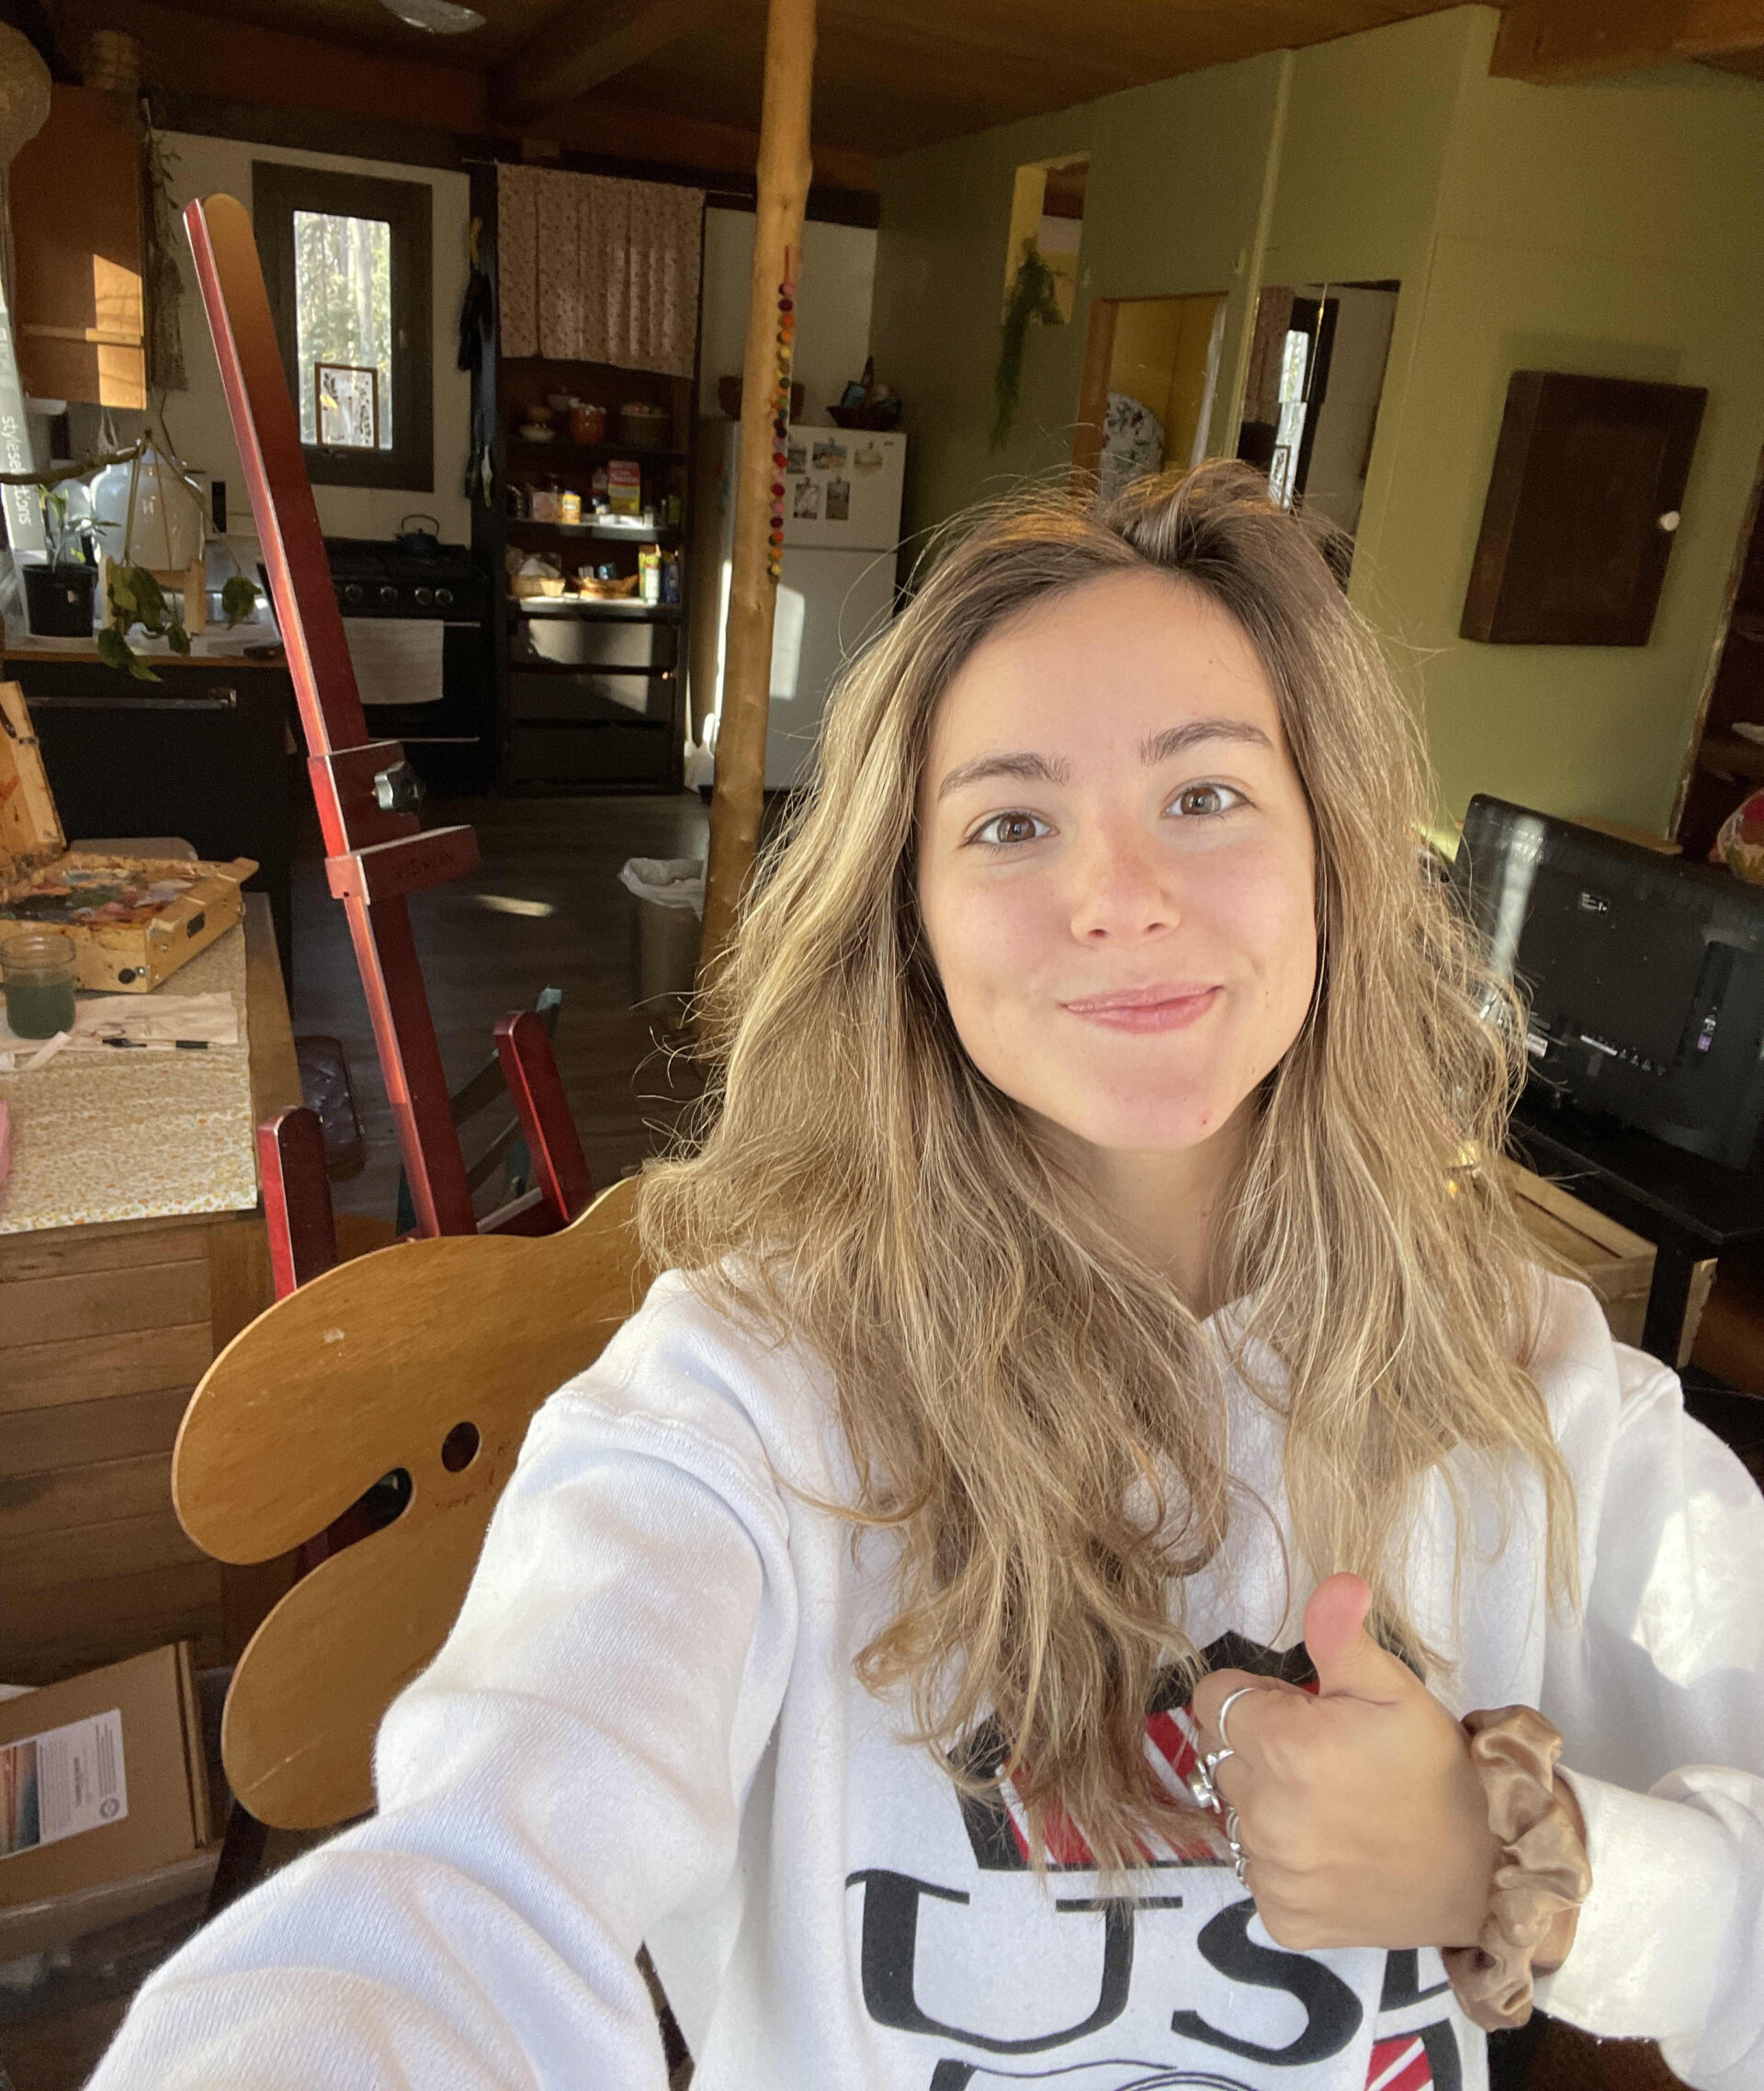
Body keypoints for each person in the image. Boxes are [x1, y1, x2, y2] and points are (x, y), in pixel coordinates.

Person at [89, 463, 1764, 2090]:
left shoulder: (1525, 1382)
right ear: (913, 926)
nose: (1120, 898)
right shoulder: (742, 1398)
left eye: (1204, 795)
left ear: (1333, 853)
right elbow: (472, 1892)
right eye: (1013, 822)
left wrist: (1518, 1867)